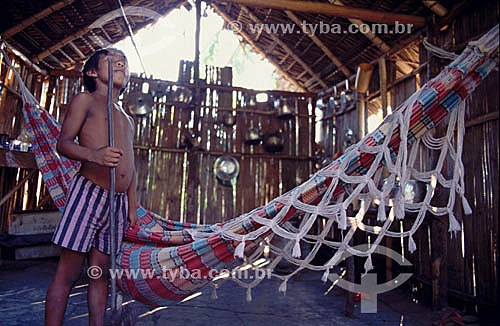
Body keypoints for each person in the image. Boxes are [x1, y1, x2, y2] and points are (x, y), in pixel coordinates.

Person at [45, 48, 139, 326]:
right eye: (112, 60)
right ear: (92, 72)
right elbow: (63, 143)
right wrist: (94, 155)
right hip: (89, 194)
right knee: (68, 272)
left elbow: (131, 166)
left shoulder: (126, 116)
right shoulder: (86, 100)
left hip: (118, 203)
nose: (121, 63)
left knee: (99, 272)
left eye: (124, 61)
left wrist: (132, 205)